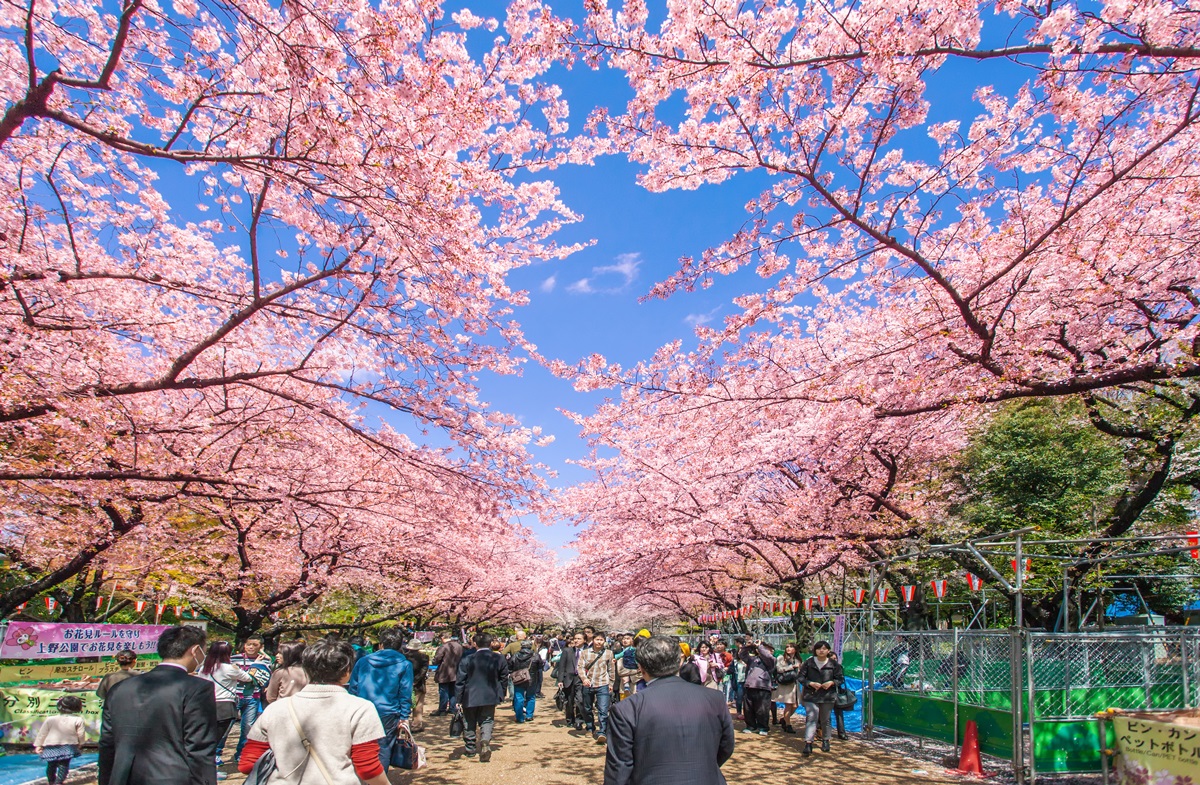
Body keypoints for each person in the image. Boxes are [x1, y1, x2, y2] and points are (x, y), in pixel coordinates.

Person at [238, 640, 389, 785]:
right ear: (347, 670)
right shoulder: (360, 708)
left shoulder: (275, 709)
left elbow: (247, 764)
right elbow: (368, 768)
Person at [603, 636, 735, 785]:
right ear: (679, 661)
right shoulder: (714, 698)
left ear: (640, 667)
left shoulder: (627, 708)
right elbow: (726, 746)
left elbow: (619, 769)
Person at [99, 624, 220, 785]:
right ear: (195, 650)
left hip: (123, 777)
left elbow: (107, 743)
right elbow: (199, 746)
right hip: (173, 776)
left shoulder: (120, 688)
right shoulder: (197, 688)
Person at [347, 627, 413, 773]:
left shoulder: (363, 661)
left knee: (361, 744)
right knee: (383, 748)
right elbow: (405, 692)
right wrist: (404, 716)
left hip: (363, 709)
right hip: (389, 711)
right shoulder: (404, 664)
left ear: (381, 644)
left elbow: (353, 687)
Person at [455, 632, 509, 762]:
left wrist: (458, 698)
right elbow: (504, 678)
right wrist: (501, 693)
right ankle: (485, 741)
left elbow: (460, 680)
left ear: (474, 644)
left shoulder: (467, 658)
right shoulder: (499, 658)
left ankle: (470, 748)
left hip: (470, 695)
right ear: (491, 643)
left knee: (469, 721)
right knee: (487, 720)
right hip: (490, 694)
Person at [198, 640, 253, 767]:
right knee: (218, 737)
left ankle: (208, 765)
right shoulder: (230, 669)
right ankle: (212, 766)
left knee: (206, 737)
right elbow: (248, 678)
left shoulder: (204, 668)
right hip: (224, 707)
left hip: (206, 705)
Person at [228, 636, 272, 764]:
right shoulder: (233, 659)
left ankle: (241, 753)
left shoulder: (265, 661)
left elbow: (264, 678)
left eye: (255, 645)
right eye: (249, 644)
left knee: (247, 727)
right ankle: (218, 752)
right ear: (244, 645)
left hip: (253, 696)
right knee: (226, 726)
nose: (251, 647)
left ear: (260, 647)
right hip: (234, 695)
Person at [799, 640, 843, 755]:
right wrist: (810, 683)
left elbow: (840, 679)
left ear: (828, 651)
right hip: (811, 695)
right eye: (819, 648)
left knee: (825, 719)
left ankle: (826, 740)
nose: (821, 650)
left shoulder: (833, 664)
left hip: (827, 696)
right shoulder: (809, 663)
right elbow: (801, 677)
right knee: (811, 717)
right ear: (815, 650)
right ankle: (808, 742)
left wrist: (832, 683)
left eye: (824, 648)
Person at [36, 695, 86, 785]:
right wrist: (80, 743)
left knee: (51, 765)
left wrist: (39, 745)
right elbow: (81, 734)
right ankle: (59, 782)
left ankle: (51, 781)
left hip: (50, 745)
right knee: (64, 765)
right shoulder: (78, 720)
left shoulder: (50, 719)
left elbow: (42, 733)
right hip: (68, 745)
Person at [579, 631, 615, 743]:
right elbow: (580, 667)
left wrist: (611, 684)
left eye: (601, 640)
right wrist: (584, 678)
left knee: (603, 709)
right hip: (588, 684)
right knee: (587, 708)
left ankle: (602, 732)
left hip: (603, 684)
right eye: (597, 639)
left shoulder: (609, 653)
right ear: (593, 640)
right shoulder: (585, 653)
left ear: (604, 641)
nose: (599, 642)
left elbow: (611, 669)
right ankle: (590, 727)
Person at [740, 639, 775, 736]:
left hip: (763, 687)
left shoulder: (771, 660)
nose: (763, 650)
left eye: (766, 648)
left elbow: (767, 656)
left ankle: (763, 726)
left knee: (762, 709)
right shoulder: (753, 659)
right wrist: (748, 646)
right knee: (748, 708)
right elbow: (742, 655)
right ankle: (751, 726)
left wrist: (760, 647)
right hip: (749, 686)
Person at [553, 632, 586, 730]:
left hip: (582, 678)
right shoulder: (567, 651)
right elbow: (561, 666)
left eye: (579, 638)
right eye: (575, 638)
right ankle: (570, 719)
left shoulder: (587, 651)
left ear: (584, 640)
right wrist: (560, 680)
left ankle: (579, 720)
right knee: (569, 700)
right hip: (569, 678)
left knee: (580, 700)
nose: (576, 640)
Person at [508, 639, 542, 723]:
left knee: (519, 697)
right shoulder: (535, 655)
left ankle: (519, 717)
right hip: (532, 678)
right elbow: (540, 666)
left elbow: (510, 666)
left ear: (521, 646)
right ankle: (529, 715)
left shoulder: (515, 655)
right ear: (530, 646)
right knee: (531, 697)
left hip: (518, 678)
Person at [771, 642, 802, 734]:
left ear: (795, 649)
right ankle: (788, 725)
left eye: (791, 647)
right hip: (786, 684)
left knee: (795, 705)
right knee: (788, 705)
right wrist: (791, 667)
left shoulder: (797, 659)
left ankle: (784, 719)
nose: (788, 648)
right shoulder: (781, 658)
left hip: (795, 685)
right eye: (787, 647)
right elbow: (779, 669)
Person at [432, 632, 464, 715]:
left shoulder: (443, 647)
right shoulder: (459, 646)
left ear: (442, 638)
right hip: (456, 671)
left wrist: (434, 661)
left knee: (443, 691)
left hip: (444, 672)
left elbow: (437, 659)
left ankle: (442, 709)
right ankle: (452, 708)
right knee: (453, 691)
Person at [404, 640, 430, 732]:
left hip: (405, 683)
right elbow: (424, 671)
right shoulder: (424, 657)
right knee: (418, 705)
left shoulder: (404, 657)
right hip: (418, 684)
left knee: (405, 704)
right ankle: (416, 725)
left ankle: (404, 724)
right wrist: (415, 681)